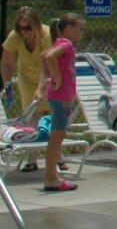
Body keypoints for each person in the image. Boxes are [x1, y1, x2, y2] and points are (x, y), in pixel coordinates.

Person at [34, 13, 85, 193]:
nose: (81, 32)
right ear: (68, 28)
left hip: (60, 96)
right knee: (57, 138)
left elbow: (43, 56)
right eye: (79, 28)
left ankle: (51, 176)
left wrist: (46, 80)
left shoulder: (60, 43)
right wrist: (56, 77)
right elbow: (49, 58)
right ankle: (51, 178)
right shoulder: (66, 44)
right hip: (61, 97)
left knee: (57, 137)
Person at [0, 6, 51, 125]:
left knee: (49, 115)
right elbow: (7, 64)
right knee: (31, 115)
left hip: (49, 78)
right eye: (20, 27)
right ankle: (35, 139)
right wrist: (7, 85)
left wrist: (41, 88)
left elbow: (48, 66)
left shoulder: (47, 36)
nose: (24, 31)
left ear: (37, 25)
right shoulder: (15, 36)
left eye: (28, 28)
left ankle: (49, 140)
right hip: (27, 78)